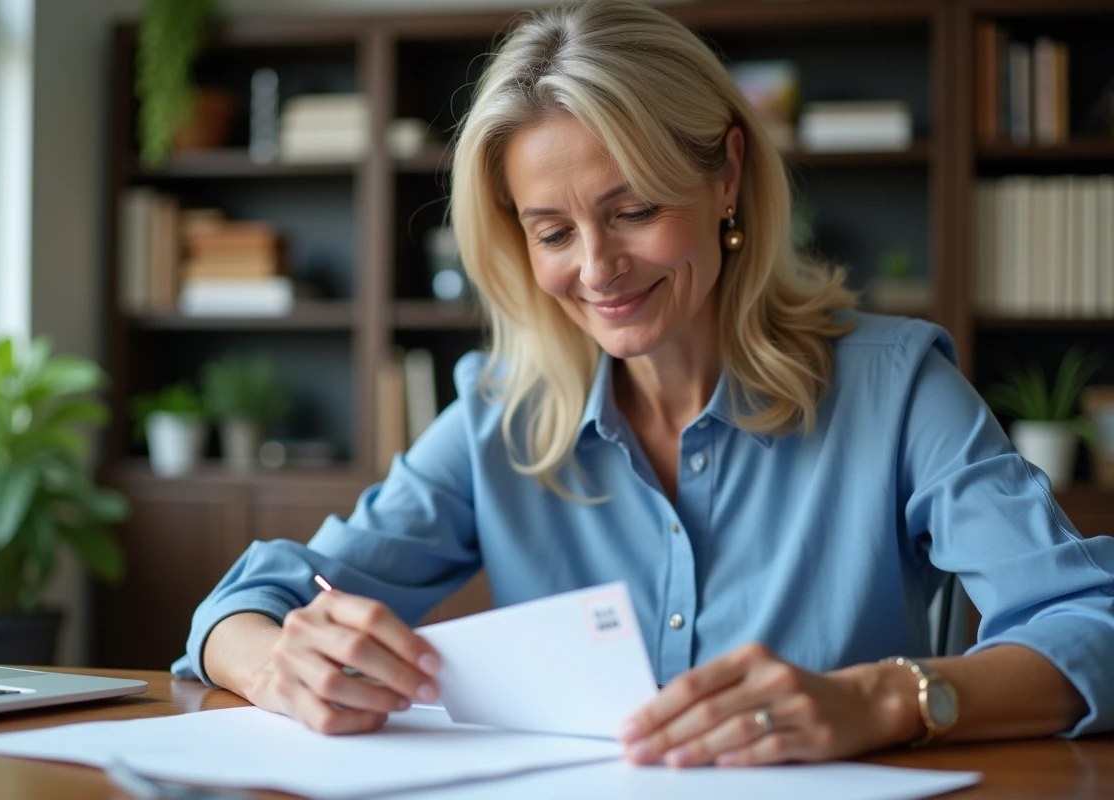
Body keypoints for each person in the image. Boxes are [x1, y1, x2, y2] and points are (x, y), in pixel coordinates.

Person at [173, 0, 1114, 767]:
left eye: (634, 210)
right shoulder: (504, 410)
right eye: (552, 232)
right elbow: (251, 602)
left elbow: (1090, 622)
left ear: (727, 175)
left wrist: (877, 700)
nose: (597, 270)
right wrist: (277, 664)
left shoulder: (896, 389)